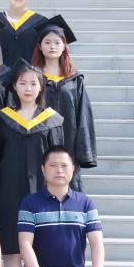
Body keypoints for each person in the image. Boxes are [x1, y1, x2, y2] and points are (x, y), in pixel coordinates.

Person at [0, 60, 65, 267]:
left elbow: (59, 158)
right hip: (8, 188)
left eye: (33, 83)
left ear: (41, 86)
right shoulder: (2, 118)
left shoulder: (52, 120)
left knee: (39, 242)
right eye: (22, 83)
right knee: (11, 243)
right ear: (14, 86)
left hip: (43, 190)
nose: (28, 88)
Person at [32, 15, 97, 190]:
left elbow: (83, 116)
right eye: (47, 42)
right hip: (39, 140)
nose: (52, 46)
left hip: (69, 140)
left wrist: (84, 152)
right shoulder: (32, 78)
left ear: (64, 46)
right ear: (40, 46)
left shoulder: (74, 80)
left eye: (57, 42)